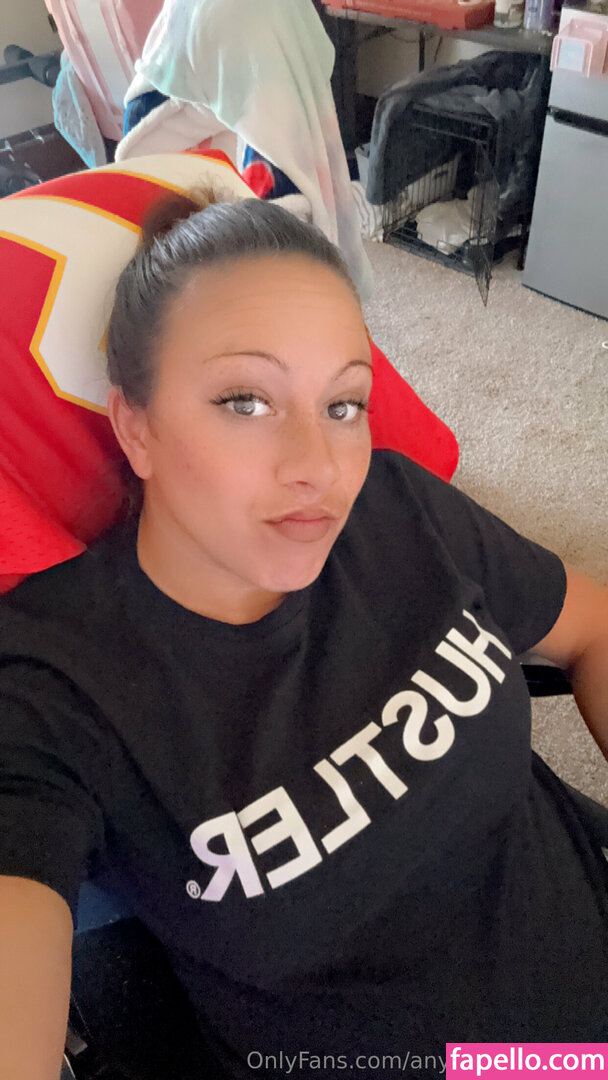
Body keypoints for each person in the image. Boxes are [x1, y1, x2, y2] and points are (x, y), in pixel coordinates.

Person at [0, 190, 607, 1080]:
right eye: (245, 401)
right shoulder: (55, 685)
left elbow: (591, 629)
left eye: (344, 404)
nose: (319, 467)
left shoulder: (399, 507)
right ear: (136, 426)